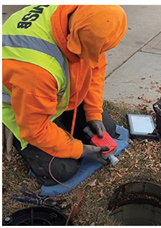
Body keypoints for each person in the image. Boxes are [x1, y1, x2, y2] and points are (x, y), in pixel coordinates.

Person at [2, 5, 127, 186]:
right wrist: (81, 150)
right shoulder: (37, 70)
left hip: (50, 93)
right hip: (21, 106)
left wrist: (93, 113)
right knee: (61, 169)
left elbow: (95, 66)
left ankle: (62, 127)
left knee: (106, 128)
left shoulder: (82, 18)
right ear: (76, 42)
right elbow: (34, 129)